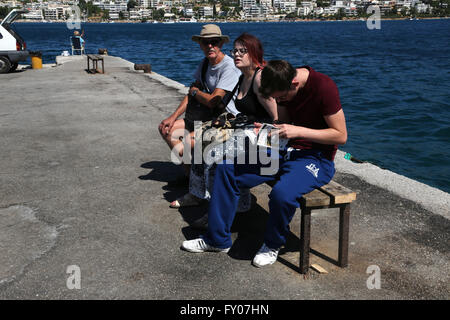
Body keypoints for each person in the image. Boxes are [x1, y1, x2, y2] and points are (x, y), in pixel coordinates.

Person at [181, 60, 348, 268]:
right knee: (226, 167)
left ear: (294, 83)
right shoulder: (284, 85)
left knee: (282, 194)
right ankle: (217, 239)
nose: (280, 101)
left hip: (315, 158)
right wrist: (269, 129)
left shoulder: (324, 87)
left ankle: (272, 244)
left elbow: (341, 136)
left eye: (282, 98)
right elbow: (284, 123)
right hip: (285, 150)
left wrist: (299, 132)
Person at [169, 33, 278, 219]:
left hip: (263, 138)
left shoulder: (259, 79)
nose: (236, 54)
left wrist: (263, 135)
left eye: (242, 51)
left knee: (213, 154)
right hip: (244, 129)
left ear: (253, 53)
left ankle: (220, 208)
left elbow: (277, 119)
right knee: (202, 140)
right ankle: (199, 195)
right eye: (235, 50)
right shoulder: (243, 77)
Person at [158, 24, 241, 182]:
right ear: (200, 44)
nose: (210, 46)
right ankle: (190, 177)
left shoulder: (228, 67)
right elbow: (191, 94)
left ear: (221, 44)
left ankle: (198, 182)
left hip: (227, 121)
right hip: (208, 117)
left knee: (185, 146)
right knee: (166, 129)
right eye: (205, 42)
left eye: (214, 42)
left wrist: (195, 91)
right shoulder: (205, 64)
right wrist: (173, 116)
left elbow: (212, 101)